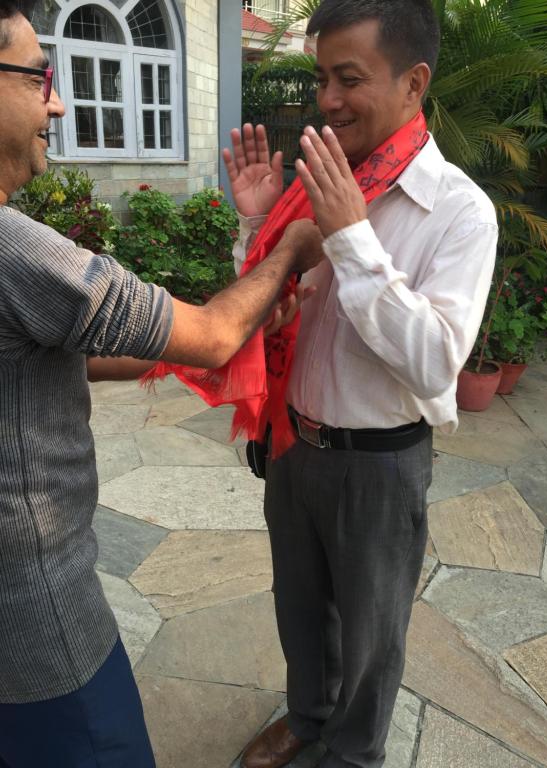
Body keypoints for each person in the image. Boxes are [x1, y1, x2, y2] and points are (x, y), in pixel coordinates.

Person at [0, 2, 323, 766]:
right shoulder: (18, 253)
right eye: (40, 77)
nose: (58, 103)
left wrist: (189, 346)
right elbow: (211, 333)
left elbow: (59, 355)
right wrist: (289, 245)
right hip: (38, 624)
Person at [226, 1, 498, 767]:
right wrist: (257, 226)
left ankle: (354, 752)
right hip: (294, 443)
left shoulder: (460, 213)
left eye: (349, 79)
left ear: (414, 83)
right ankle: (308, 716)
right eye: (321, 78)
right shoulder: (317, 185)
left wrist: (349, 237)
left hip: (379, 464)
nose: (328, 100)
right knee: (298, 605)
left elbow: (437, 362)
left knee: (373, 633)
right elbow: (262, 309)